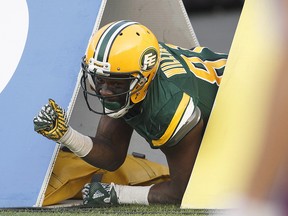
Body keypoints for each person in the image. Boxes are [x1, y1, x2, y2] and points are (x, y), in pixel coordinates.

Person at [33, 20, 227, 206]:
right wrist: (67, 135)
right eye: (100, 79)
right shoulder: (130, 71)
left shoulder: (168, 107)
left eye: (116, 83)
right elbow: (112, 155)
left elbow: (184, 191)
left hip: (242, 101)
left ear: (143, 80)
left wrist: (118, 194)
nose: (105, 91)